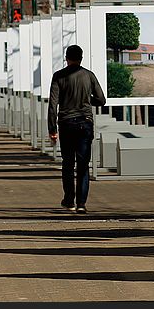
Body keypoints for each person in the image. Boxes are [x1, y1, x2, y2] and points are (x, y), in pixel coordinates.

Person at [47, 45, 106, 214]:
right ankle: (81, 203)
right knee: (83, 164)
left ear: (66, 58)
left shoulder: (58, 76)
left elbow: (53, 105)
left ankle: (69, 200)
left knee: (67, 163)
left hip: (66, 123)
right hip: (85, 122)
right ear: (81, 58)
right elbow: (101, 100)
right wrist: (88, 101)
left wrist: (52, 129)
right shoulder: (89, 75)